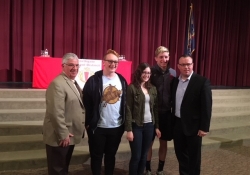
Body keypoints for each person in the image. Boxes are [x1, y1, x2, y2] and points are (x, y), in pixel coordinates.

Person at [83, 49, 127, 175]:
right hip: (98, 127)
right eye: (110, 61)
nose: (113, 64)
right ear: (104, 62)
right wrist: (88, 122)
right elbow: (86, 102)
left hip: (116, 127)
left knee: (110, 156)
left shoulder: (122, 80)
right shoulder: (94, 80)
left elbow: (125, 103)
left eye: (115, 61)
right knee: (96, 157)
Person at [43, 53, 85, 175]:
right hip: (60, 136)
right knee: (57, 169)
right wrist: (63, 133)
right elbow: (55, 112)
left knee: (63, 167)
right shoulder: (57, 84)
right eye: (71, 65)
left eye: (77, 65)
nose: (75, 68)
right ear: (63, 66)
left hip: (68, 135)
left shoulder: (71, 82)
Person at [171, 54, 212, 175]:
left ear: (192, 65)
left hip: (194, 127)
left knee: (194, 158)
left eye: (188, 64)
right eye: (183, 65)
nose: (186, 67)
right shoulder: (174, 82)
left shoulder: (202, 81)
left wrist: (204, 127)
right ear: (178, 66)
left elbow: (207, 106)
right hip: (178, 124)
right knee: (181, 155)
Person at [125, 63, 161, 175]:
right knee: (136, 156)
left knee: (144, 155)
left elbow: (155, 109)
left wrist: (157, 127)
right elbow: (128, 109)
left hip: (149, 126)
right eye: (144, 72)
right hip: (136, 126)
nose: (147, 75)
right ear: (139, 73)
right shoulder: (131, 88)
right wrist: (129, 130)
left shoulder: (152, 88)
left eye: (149, 73)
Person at [146, 46, 176, 175]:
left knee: (163, 143)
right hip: (152, 113)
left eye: (166, 57)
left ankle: (160, 169)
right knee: (149, 142)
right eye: (161, 57)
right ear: (156, 58)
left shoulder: (173, 73)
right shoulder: (150, 71)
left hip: (166, 114)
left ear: (169, 58)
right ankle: (147, 168)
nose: (164, 59)